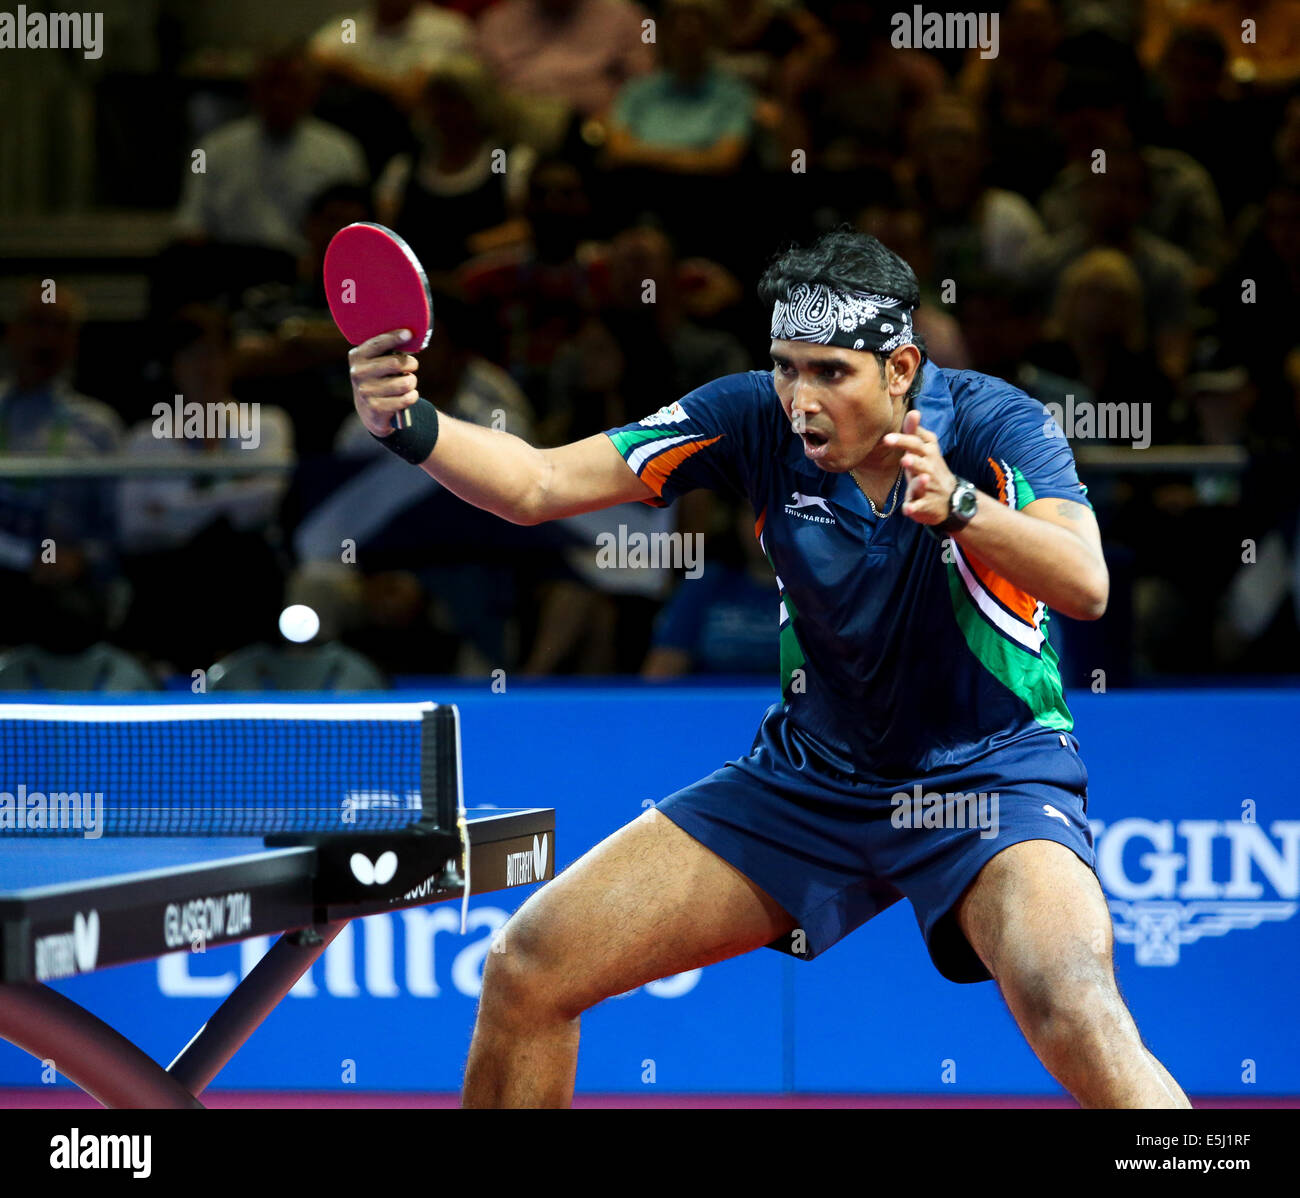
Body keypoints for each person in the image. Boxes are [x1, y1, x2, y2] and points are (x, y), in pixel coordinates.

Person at [346, 227, 1189, 1108]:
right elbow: (537, 486)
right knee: (527, 967)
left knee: (1074, 1006)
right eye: (787, 366)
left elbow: (1086, 582)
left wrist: (965, 508)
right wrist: (411, 426)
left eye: (831, 372)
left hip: (990, 780)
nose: (800, 398)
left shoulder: (993, 422)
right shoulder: (748, 416)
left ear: (900, 369)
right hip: (808, 782)